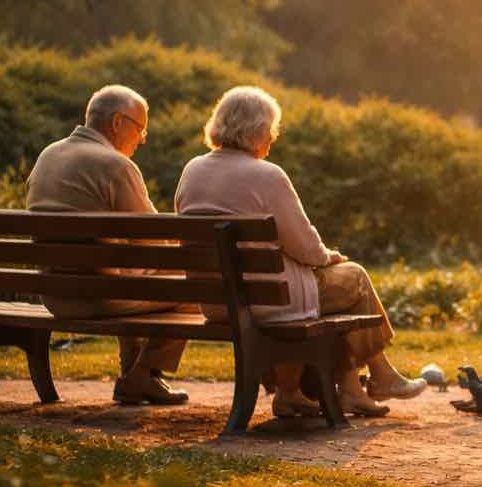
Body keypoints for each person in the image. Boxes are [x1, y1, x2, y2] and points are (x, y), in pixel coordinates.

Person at [173, 86, 423, 418]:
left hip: (217, 301)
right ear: (258, 130)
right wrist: (327, 257)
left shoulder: (192, 170)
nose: (272, 138)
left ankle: (313, 392)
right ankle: (377, 377)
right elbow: (303, 245)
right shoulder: (267, 175)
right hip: (269, 301)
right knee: (354, 279)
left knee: (335, 293)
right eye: (271, 130)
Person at [26, 84, 189, 406]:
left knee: (131, 272)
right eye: (140, 129)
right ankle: (142, 374)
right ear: (117, 122)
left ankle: (137, 377)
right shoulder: (115, 165)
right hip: (96, 299)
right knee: (192, 285)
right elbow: (153, 239)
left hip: (54, 296)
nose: (142, 139)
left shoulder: (49, 155)